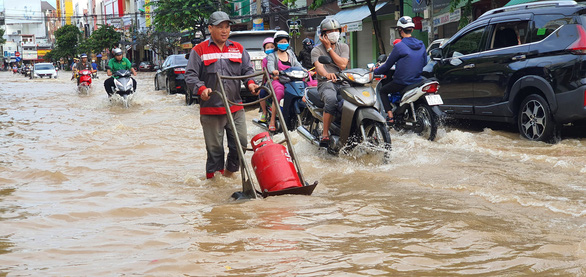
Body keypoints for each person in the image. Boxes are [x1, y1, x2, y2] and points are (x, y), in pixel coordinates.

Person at [185, 11, 259, 179]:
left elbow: (247, 70)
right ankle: (215, 186)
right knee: (215, 152)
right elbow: (190, 75)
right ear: (210, 28)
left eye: (227, 27)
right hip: (212, 109)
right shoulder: (199, 50)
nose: (225, 31)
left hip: (236, 107)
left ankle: (228, 175)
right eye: (220, 27)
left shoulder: (238, 48)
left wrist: (251, 83)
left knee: (241, 145)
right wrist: (201, 88)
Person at [373, 16, 426, 125]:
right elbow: (424, 62)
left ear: (400, 30)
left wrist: (375, 71)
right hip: (418, 81)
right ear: (412, 29)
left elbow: (387, 66)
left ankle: (390, 117)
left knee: (383, 91)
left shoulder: (399, 46)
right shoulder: (421, 44)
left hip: (402, 82)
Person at [311, 18, 350, 147]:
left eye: (336, 30)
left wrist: (329, 49)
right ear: (323, 34)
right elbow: (319, 67)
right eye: (330, 31)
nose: (334, 33)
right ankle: (325, 134)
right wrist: (327, 74)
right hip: (326, 83)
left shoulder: (344, 47)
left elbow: (343, 64)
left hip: (343, 82)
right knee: (331, 99)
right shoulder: (316, 50)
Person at [266, 31, 303, 131]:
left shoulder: (291, 54)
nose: (283, 43)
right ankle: (273, 120)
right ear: (276, 43)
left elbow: (298, 65)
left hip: (292, 80)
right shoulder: (272, 56)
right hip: (278, 80)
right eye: (281, 42)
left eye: (285, 41)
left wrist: (305, 71)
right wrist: (274, 71)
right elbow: (270, 67)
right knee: (278, 93)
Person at [258, 37, 275, 124]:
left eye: (272, 47)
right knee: (262, 93)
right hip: (269, 82)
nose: (270, 49)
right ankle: (264, 112)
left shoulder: (278, 57)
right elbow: (264, 72)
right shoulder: (264, 60)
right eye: (267, 47)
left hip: (279, 80)